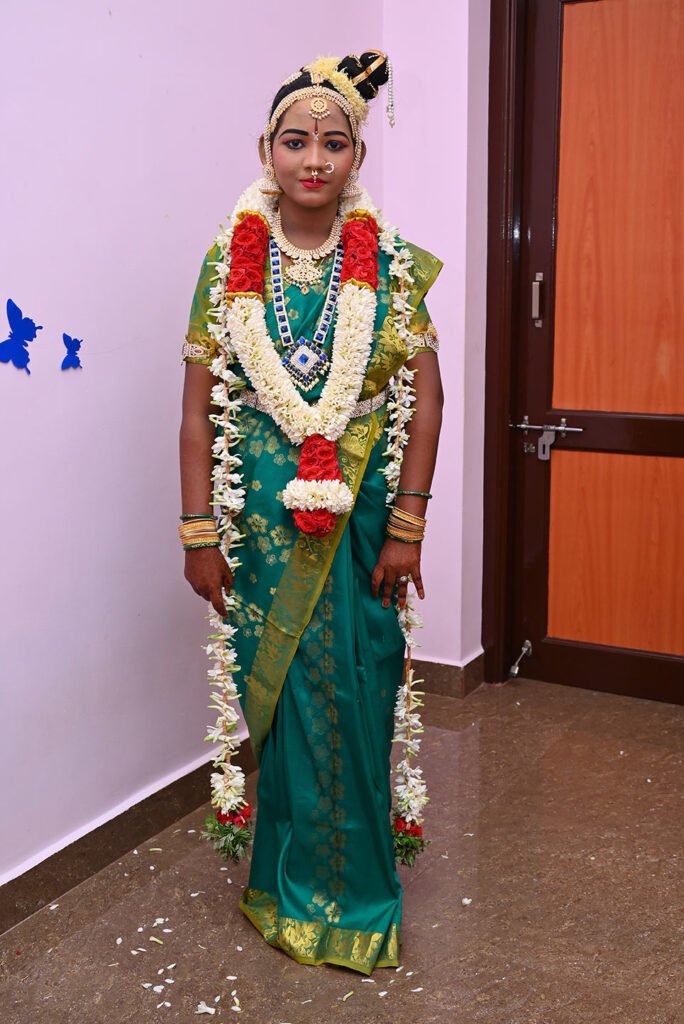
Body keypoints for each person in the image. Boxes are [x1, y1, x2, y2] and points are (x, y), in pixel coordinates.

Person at [179, 50, 443, 975]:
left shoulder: (392, 264)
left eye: (335, 142)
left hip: (363, 518)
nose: (315, 159)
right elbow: (197, 407)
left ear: (357, 158)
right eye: (297, 140)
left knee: (363, 691)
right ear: (267, 150)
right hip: (259, 517)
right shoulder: (228, 261)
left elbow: (429, 398)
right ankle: (285, 889)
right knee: (287, 700)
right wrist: (198, 533)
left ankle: (361, 900)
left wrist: (407, 523)